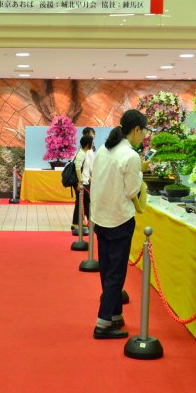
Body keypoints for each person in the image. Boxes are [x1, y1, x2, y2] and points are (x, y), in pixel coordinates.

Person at [89, 109, 151, 339]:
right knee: (116, 273)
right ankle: (103, 323)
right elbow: (131, 191)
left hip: (101, 216)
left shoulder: (104, 149)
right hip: (119, 219)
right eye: (144, 131)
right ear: (136, 129)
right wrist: (141, 171)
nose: (144, 136)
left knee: (107, 270)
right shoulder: (131, 156)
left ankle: (115, 315)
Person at [71, 128, 97, 233]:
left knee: (83, 202)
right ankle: (84, 223)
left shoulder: (86, 151)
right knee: (87, 201)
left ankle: (78, 223)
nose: (93, 138)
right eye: (91, 135)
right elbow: (78, 167)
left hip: (85, 180)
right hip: (82, 182)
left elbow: (87, 167)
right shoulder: (83, 152)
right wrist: (80, 182)